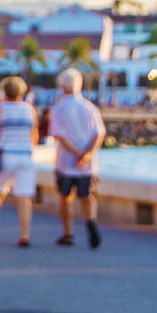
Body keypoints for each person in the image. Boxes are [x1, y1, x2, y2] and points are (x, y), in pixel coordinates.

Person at [48, 68, 106, 248]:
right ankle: (90, 221)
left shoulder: (58, 109)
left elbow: (60, 136)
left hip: (66, 162)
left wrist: (77, 154)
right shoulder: (90, 107)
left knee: (65, 197)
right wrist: (87, 154)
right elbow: (99, 133)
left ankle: (68, 233)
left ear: (62, 87)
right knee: (87, 195)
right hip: (88, 165)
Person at [0, 76, 38, 246]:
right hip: (25, 156)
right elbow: (34, 136)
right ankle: (25, 234)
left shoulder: (1, 109)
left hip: (5, 155)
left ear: (5, 91)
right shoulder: (29, 110)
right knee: (24, 196)